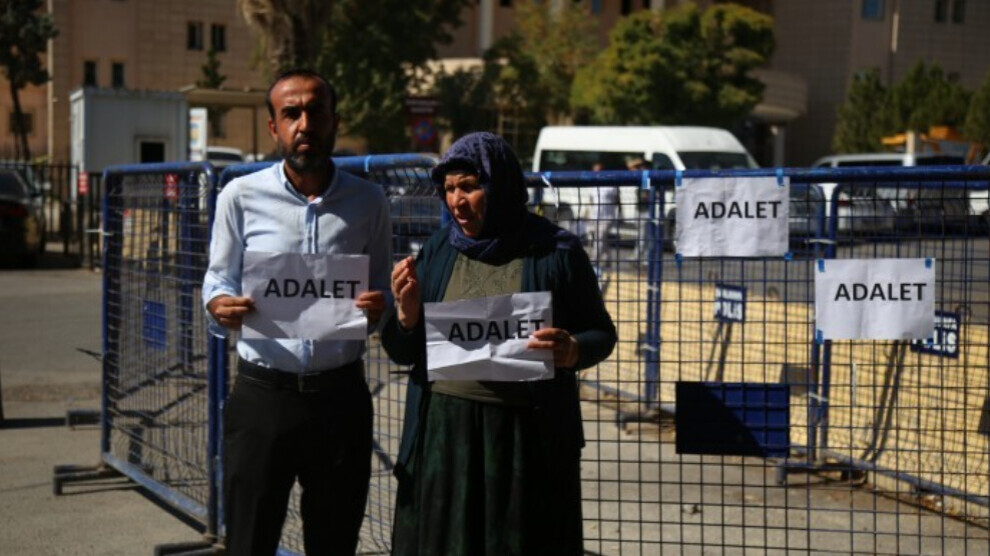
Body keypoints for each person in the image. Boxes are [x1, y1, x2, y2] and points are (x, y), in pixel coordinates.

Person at [381, 132, 617, 555]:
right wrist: (407, 316)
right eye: (449, 189)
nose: (457, 201)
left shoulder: (555, 252)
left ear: (500, 185)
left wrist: (573, 349)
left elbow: (601, 333)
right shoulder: (438, 250)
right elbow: (401, 350)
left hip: (523, 441)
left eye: (470, 186)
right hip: (445, 438)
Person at [202, 69, 391, 555]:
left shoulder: (369, 201)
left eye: (315, 111)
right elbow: (218, 279)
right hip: (263, 398)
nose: (304, 124)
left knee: (334, 542)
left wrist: (379, 308)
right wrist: (219, 305)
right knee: (249, 540)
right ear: (274, 127)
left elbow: (381, 291)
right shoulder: (239, 196)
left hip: (340, 401)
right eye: (291, 114)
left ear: (334, 121)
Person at [589, 161, 619, 267]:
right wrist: (588, 214)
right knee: (602, 238)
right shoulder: (592, 185)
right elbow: (591, 200)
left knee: (599, 237)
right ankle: (607, 259)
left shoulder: (610, 185)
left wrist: (620, 213)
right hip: (595, 216)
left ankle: (594, 260)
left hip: (607, 216)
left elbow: (617, 200)